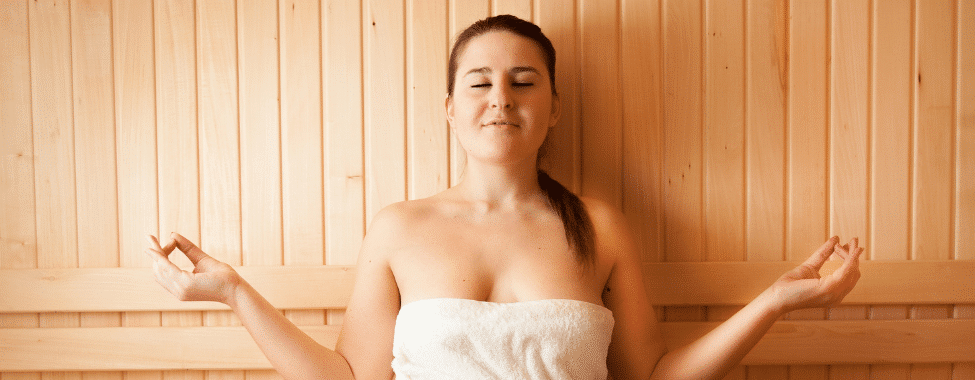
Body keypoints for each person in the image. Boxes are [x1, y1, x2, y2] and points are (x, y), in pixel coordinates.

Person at [145, 14, 862, 380]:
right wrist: (234, 292)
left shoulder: (599, 227)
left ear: (553, 109)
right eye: (478, 83)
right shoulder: (399, 227)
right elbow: (350, 378)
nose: (500, 98)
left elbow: (652, 377)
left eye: (524, 82)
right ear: (450, 108)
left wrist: (772, 301)